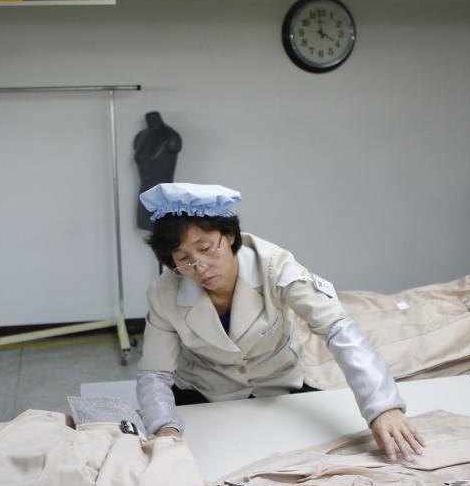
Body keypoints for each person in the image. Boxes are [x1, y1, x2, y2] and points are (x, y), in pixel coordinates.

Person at [135, 183, 424, 461]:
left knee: (331, 457)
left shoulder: (275, 266)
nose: (199, 267)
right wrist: (165, 427)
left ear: (230, 236)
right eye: (183, 258)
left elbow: (337, 327)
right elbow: (155, 374)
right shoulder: (163, 294)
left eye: (207, 248)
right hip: (202, 390)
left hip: (278, 384)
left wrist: (382, 406)